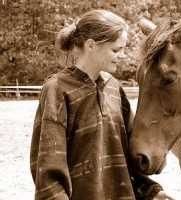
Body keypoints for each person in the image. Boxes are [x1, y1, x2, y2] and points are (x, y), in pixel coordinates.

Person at [30, 9, 173, 200]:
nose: (122, 55)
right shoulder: (57, 89)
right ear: (91, 45)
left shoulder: (114, 88)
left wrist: (152, 192)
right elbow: (48, 169)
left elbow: (127, 156)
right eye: (116, 49)